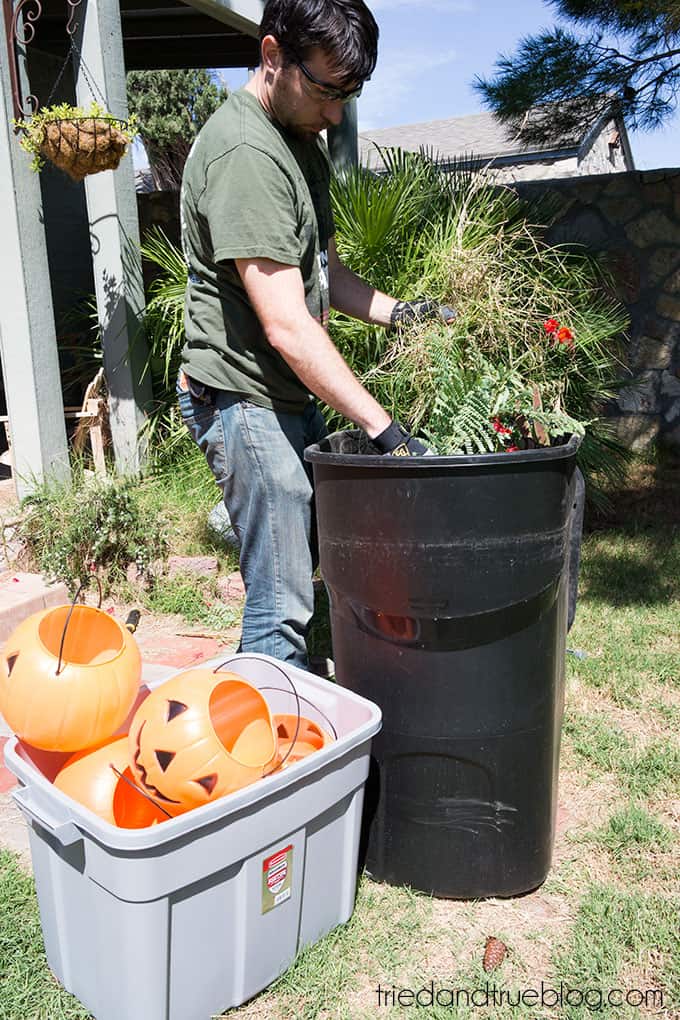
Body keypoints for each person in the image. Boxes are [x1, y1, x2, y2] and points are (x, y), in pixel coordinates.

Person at [178, 0, 455, 669]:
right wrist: (386, 432)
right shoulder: (246, 153)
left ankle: (272, 711)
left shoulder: (299, 142)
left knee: (301, 566)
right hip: (243, 400)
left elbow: (323, 274)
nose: (336, 114)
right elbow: (286, 323)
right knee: (282, 603)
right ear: (273, 55)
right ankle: (273, 756)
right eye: (327, 92)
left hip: (284, 397)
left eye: (348, 95)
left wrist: (404, 312)